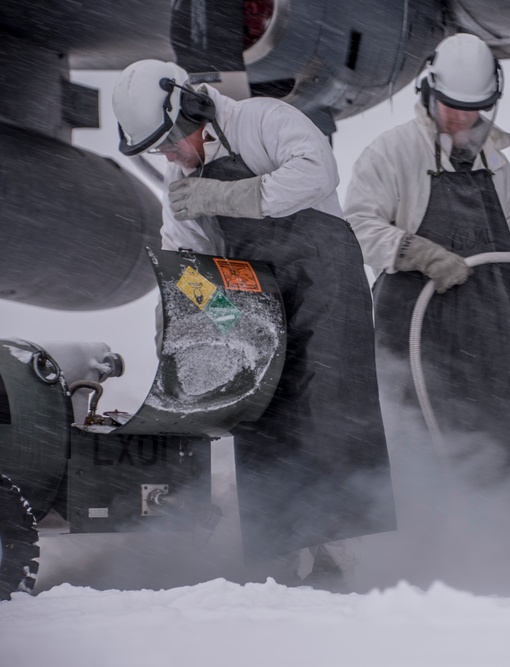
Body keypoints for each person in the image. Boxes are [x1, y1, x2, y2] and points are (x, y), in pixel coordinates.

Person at [112, 60, 395, 582]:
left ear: (191, 108)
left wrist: (225, 196)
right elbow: (190, 262)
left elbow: (317, 171)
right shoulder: (181, 181)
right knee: (263, 422)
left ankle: (347, 563)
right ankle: (279, 562)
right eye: (156, 150)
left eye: (169, 142)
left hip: (324, 287)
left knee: (328, 416)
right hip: (254, 302)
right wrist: (184, 314)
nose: (168, 156)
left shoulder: (262, 120)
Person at [344, 35, 510, 511]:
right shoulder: (391, 153)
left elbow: (507, 244)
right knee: (417, 433)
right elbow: (355, 226)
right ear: (428, 93)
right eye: (450, 106)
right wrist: (416, 250)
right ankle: (430, 539)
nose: (460, 118)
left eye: (472, 109)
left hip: (492, 329)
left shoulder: (497, 163)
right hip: (414, 324)